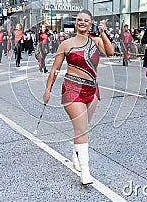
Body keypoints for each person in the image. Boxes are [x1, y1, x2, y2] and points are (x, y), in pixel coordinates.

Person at [42, 9, 114, 185]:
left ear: (91, 24)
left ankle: (76, 154)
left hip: (93, 91)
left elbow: (111, 52)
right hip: (72, 90)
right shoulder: (66, 44)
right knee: (82, 130)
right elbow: (55, 69)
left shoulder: (96, 41)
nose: (82, 23)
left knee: (82, 129)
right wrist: (47, 90)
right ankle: (85, 171)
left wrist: (103, 33)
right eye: (79, 20)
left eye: (86, 20)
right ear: (76, 23)